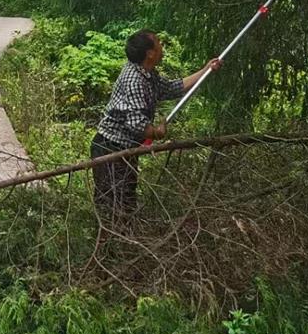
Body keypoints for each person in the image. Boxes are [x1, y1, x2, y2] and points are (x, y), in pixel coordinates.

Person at [90, 30, 220, 220]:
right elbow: (137, 124)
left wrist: (206, 70)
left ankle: (124, 245)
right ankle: (109, 247)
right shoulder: (134, 80)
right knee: (112, 207)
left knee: (126, 202)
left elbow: (171, 88)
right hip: (110, 150)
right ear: (150, 53)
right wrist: (156, 132)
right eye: (158, 43)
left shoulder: (147, 74)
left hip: (126, 150)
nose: (162, 47)